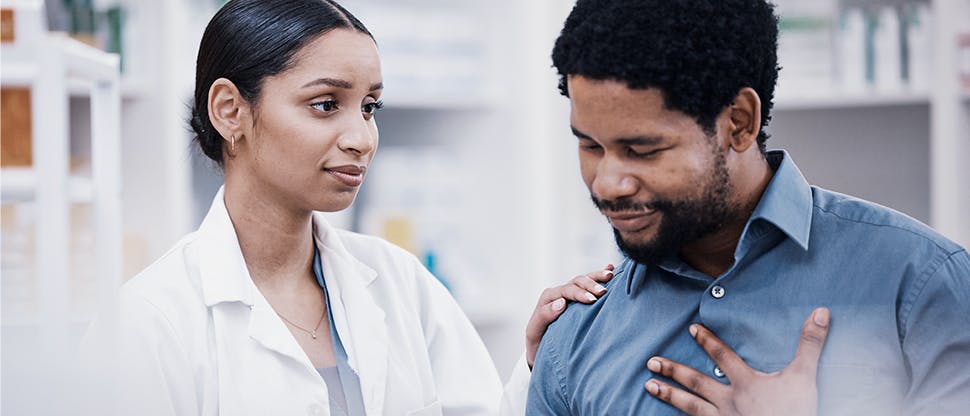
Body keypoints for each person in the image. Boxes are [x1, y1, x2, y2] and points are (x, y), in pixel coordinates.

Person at [79, 0, 614, 414]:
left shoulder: (398, 281)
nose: (361, 137)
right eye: (326, 105)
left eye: (369, 107)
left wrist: (539, 363)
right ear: (229, 110)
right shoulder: (149, 321)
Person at [527, 0, 970, 415]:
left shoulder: (920, 285)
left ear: (738, 122)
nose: (608, 184)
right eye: (590, 145)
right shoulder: (574, 337)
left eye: (643, 149)